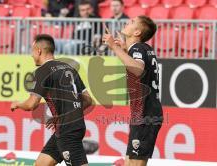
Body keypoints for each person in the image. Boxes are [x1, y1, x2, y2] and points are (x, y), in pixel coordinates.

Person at [10, 34, 93, 166]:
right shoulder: (69, 68)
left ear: (39, 51)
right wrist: (66, 112)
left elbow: (32, 104)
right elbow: (88, 100)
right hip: (70, 126)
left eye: (32, 51)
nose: (31, 55)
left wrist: (17, 104)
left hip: (67, 130)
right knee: (41, 164)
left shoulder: (42, 71)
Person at [102, 16, 163, 166]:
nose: (127, 22)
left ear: (137, 32)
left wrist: (114, 47)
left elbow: (137, 69)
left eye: (131, 22)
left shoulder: (137, 48)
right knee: (129, 162)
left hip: (145, 114)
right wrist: (124, 49)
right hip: (143, 113)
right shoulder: (144, 48)